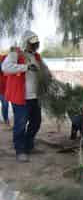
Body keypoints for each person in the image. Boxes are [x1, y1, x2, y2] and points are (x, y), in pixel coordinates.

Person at [1, 30, 50, 162]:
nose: (34, 46)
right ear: (25, 42)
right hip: (20, 97)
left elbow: (44, 71)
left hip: (35, 96)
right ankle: (20, 150)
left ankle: (28, 146)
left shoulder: (37, 56)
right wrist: (26, 67)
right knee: (20, 125)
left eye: (36, 43)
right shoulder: (15, 53)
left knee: (36, 122)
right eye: (32, 43)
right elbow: (5, 68)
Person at [0, 53, 10, 126]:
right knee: (5, 105)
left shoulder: (8, 70)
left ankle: (6, 119)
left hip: (4, 91)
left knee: (5, 105)